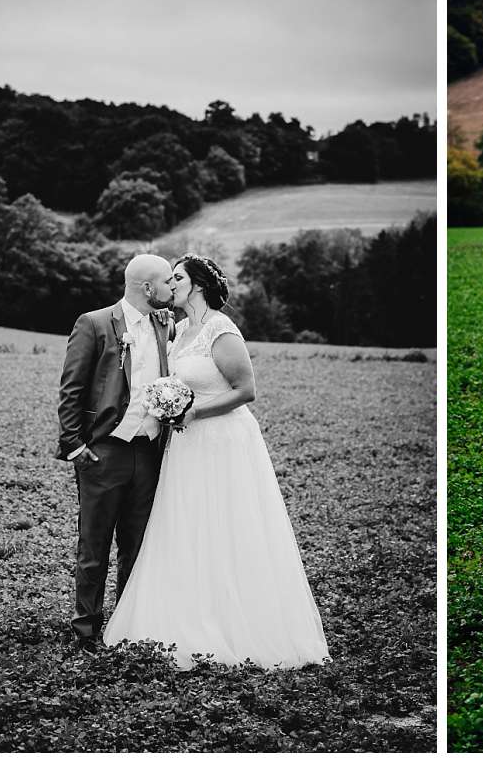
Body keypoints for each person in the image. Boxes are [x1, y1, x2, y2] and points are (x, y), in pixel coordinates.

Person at [103, 254, 330, 670]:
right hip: (186, 446)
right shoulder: (179, 331)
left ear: (198, 286)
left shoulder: (220, 330)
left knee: (228, 525)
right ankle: (190, 615)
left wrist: (194, 413)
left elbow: (246, 390)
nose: (171, 284)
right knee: (187, 525)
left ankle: (237, 621)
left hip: (223, 440)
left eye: (177, 278)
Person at [55, 254, 176, 654]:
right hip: (103, 451)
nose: (172, 288)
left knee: (137, 545)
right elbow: (71, 389)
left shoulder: (166, 324)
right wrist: (75, 446)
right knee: (94, 546)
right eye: (167, 282)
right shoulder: (94, 323)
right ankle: (87, 631)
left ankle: (126, 626)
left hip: (150, 451)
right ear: (147, 287)